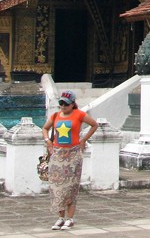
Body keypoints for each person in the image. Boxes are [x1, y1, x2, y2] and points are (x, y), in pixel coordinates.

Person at [42, 90, 99, 230]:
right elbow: (45, 128)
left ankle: (70, 218)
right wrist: (47, 141)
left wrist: (83, 140)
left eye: (66, 104)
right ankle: (60, 217)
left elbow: (94, 125)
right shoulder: (55, 116)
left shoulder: (79, 114)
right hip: (57, 155)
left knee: (71, 187)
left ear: (73, 104)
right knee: (57, 187)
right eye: (61, 103)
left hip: (73, 155)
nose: (63, 106)